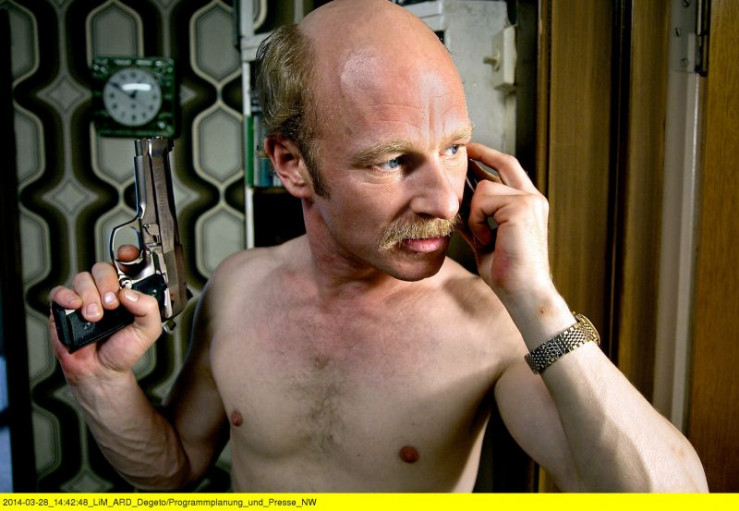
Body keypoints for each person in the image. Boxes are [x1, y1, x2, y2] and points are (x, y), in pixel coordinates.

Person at [49, 0, 707, 492]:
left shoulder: (489, 322)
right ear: (290, 163)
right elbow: (173, 469)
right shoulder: (236, 288)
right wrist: (100, 382)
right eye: (392, 160)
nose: (444, 201)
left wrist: (538, 300)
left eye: (453, 147)